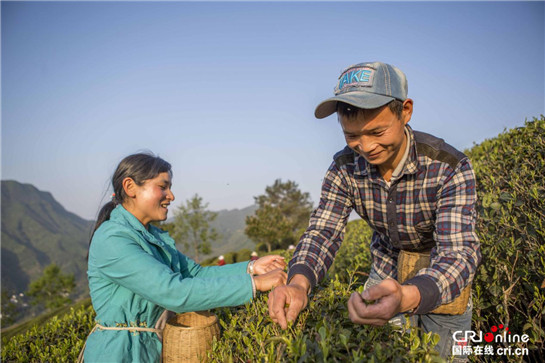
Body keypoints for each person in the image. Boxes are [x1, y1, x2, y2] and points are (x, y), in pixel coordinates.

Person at [268, 62, 481, 359]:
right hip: (384, 274)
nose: (366, 147)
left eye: (377, 131)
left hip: (444, 286)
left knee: (449, 357)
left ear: (405, 111)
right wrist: (298, 284)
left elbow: (458, 253)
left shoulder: (448, 167)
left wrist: (408, 295)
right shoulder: (344, 168)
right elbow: (323, 232)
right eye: (351, 136)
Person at [82, 153, 287, 363]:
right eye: (163, 186)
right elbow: (173, 292)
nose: (171, 195)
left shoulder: (151, 236)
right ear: (130, 187)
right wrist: (254, 284)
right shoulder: (112, 238)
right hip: (118, 354)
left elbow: (196, 274)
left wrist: (252, 268)